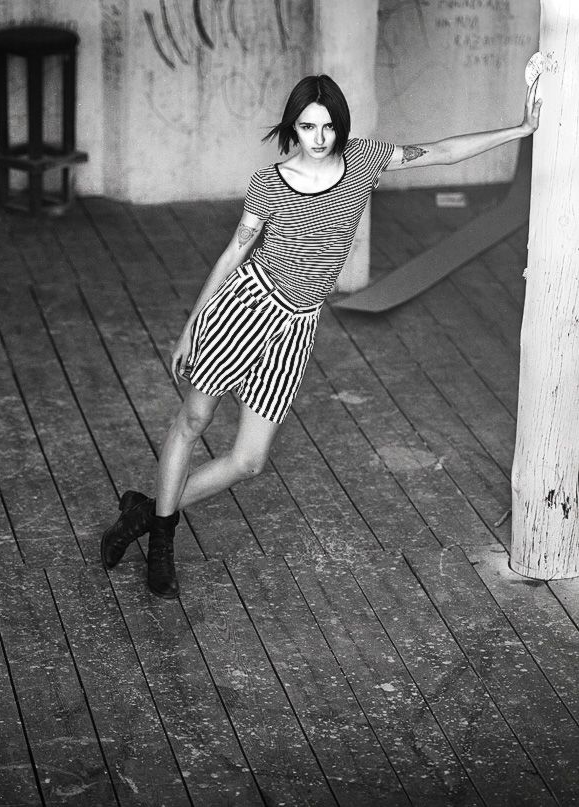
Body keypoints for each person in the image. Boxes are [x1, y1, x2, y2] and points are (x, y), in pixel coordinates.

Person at [101, 73, 542, 599]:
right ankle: (162, 543)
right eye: (308, 126)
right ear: (293, 126)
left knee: (249, 461)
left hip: (298, 326)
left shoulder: (364, 160)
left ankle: (143, 514)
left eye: (328, 126)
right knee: (194, 420)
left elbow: (443, 152)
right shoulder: (270, 182)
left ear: (341, 126)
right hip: (245, 306)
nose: (319, 137)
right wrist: (190, 327)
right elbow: (234, 252)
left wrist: (520, 129)